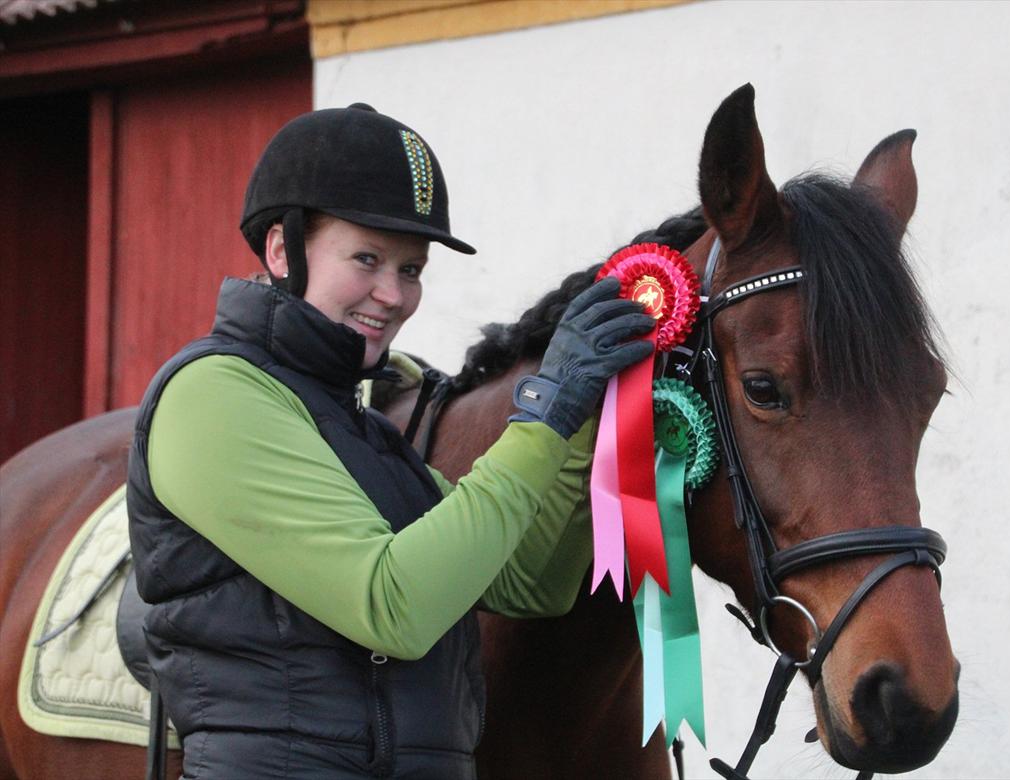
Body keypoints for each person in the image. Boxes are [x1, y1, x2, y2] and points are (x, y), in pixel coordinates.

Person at [126, 103, 655, 779]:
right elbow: (392, 606)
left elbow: (531, 584)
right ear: (284, 251)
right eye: (367, 258)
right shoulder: (211, 396)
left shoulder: (367, 430)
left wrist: (585, 419)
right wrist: (544, 411)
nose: (393, 294)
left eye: (411, 269)